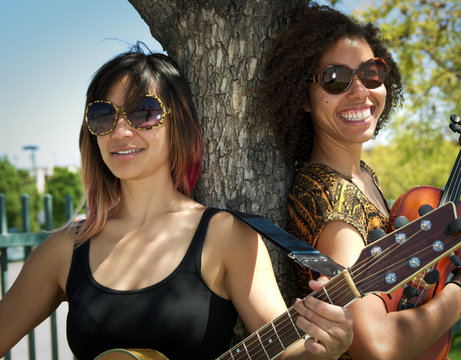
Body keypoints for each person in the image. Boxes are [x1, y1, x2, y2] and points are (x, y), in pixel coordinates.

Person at [0, 45, 354, 359]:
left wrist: (322, 351)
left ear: (179, 124)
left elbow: (284, 351)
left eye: (143, 113)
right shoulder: (64, 250)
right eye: (104, 115)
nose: (121, 131)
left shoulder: (227, 236)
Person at [259, 4, 461, 360]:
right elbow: (376, 346)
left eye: (371, 73)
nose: (360, 91)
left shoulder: (363, 176)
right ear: (302, 96)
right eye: (335, 78)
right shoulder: (330, 198)